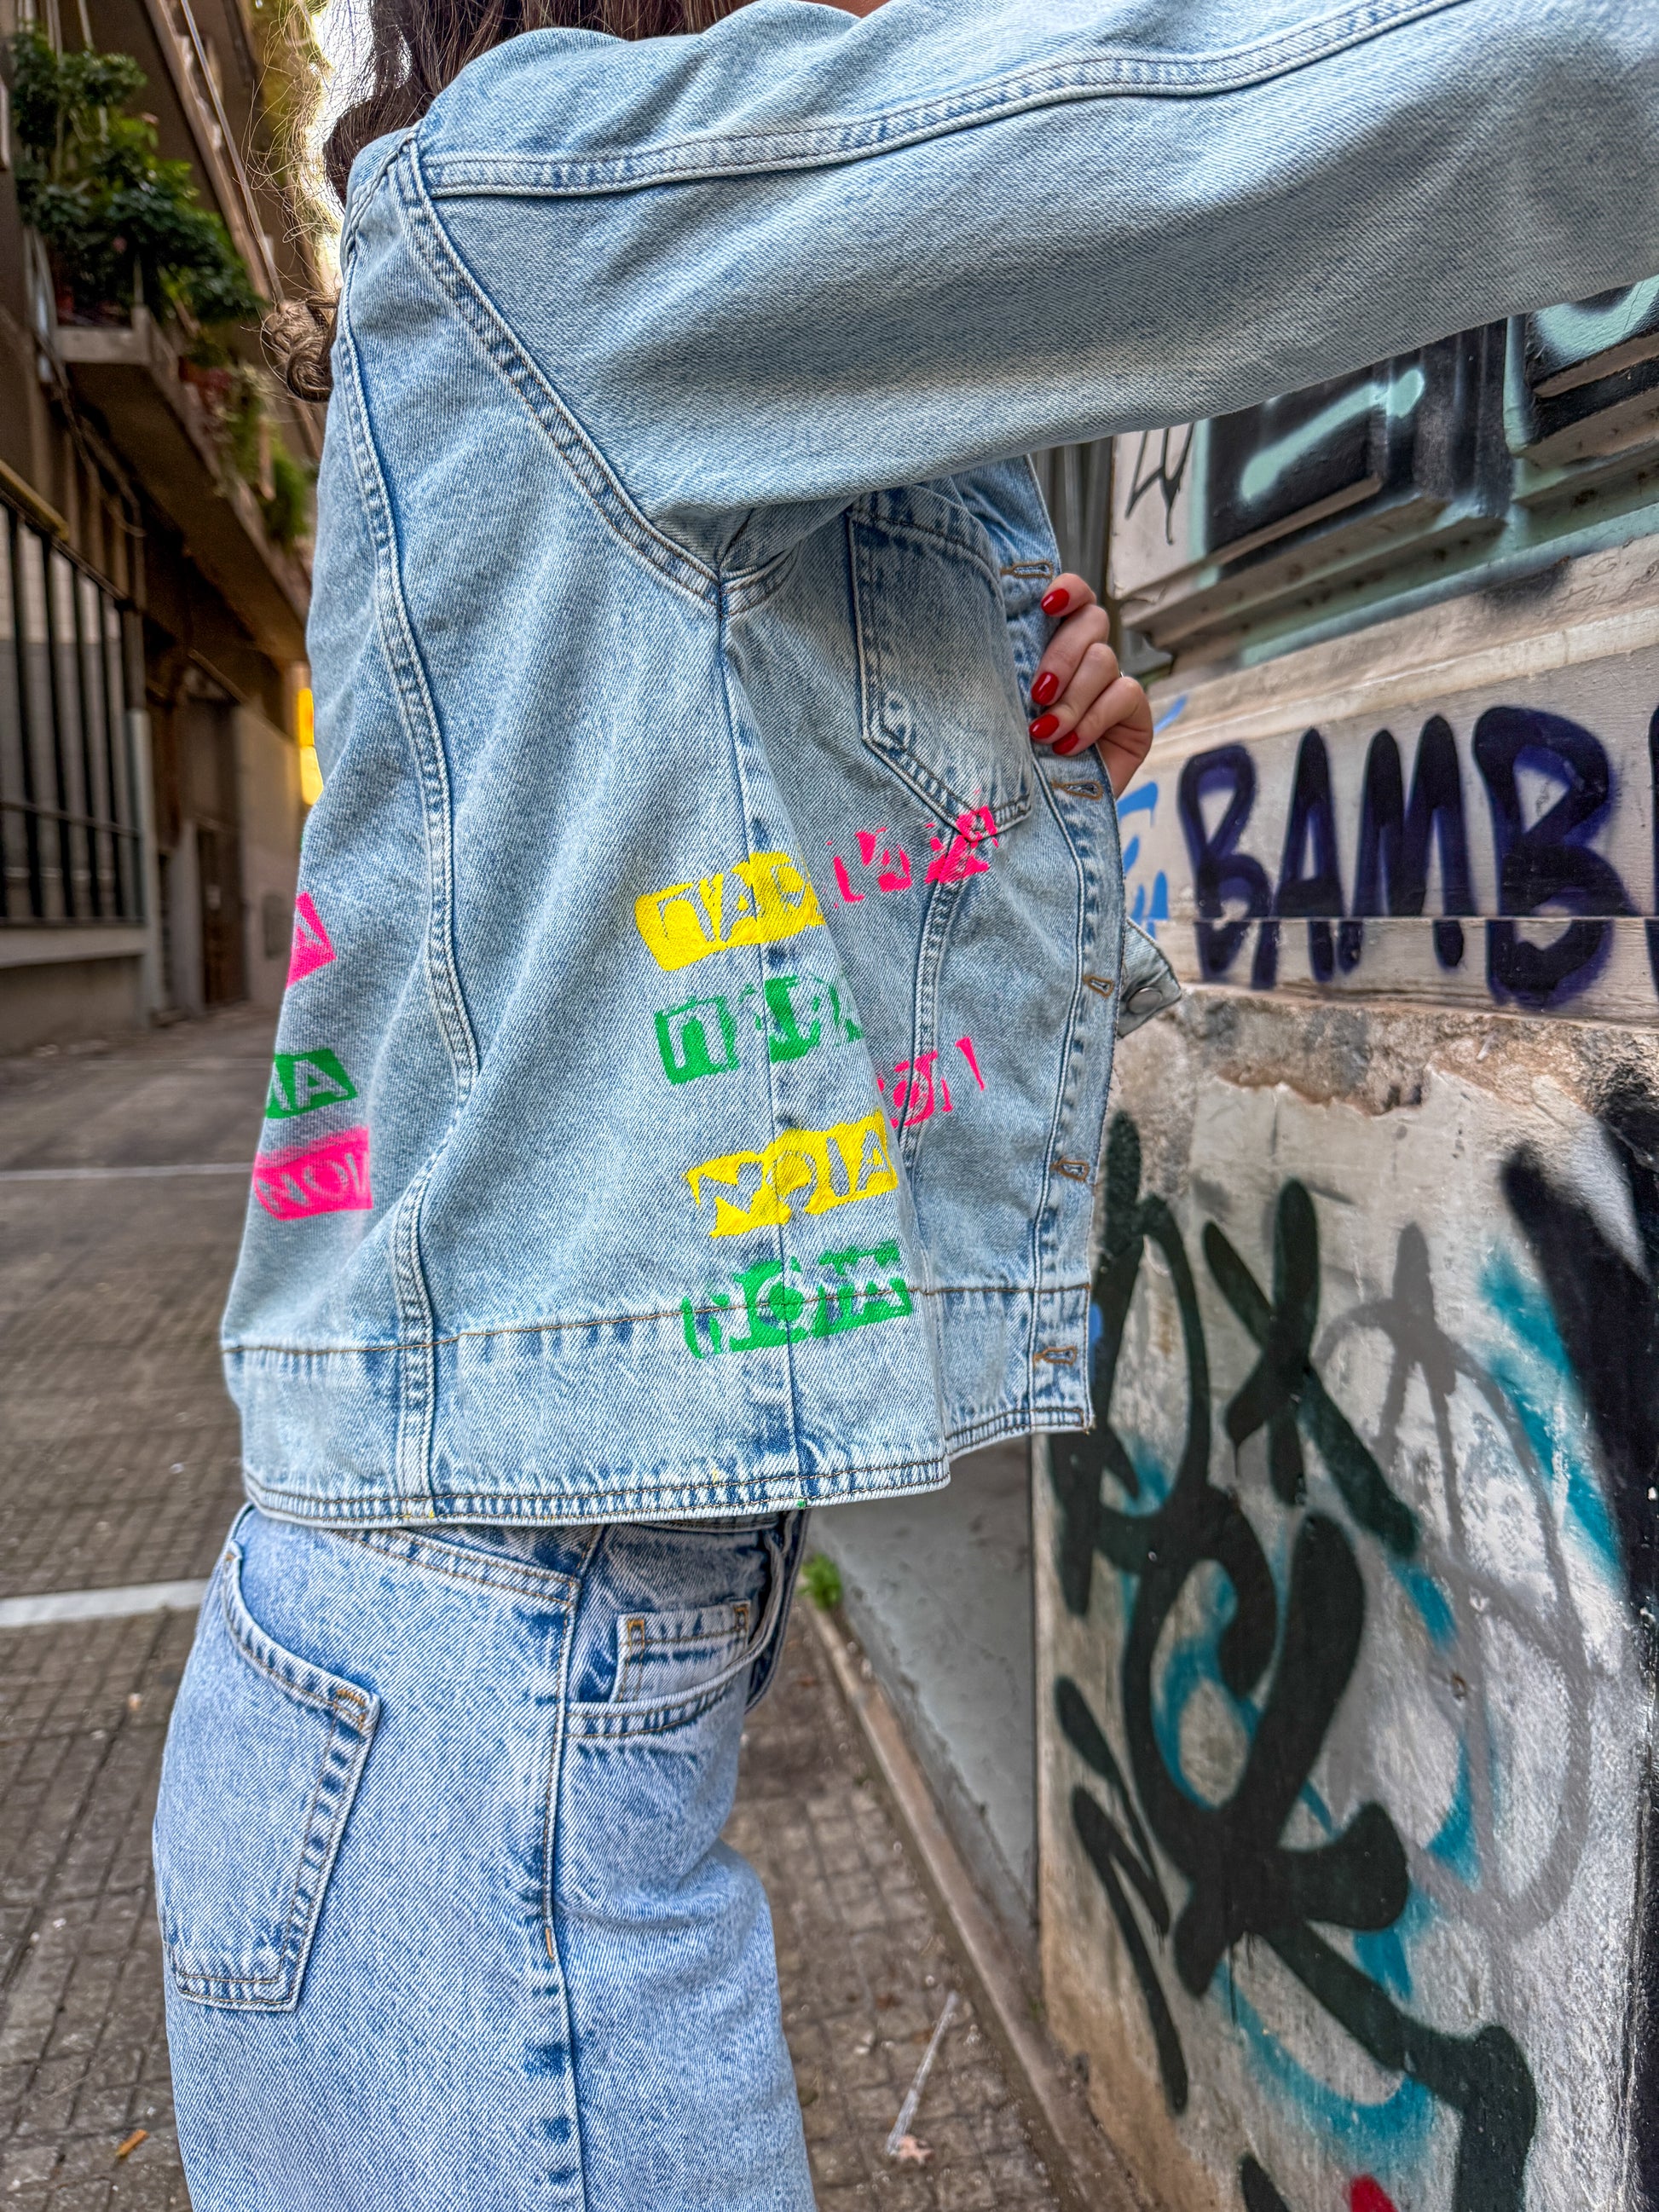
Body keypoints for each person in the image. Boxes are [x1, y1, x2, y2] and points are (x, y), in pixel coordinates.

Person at [153, 1, 1659, 2204]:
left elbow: (710, 868)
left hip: (479, 1698)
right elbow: (1201, 132)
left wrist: (1005, 752)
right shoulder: (545, 189)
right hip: (477, 1740)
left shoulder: (578, 303)